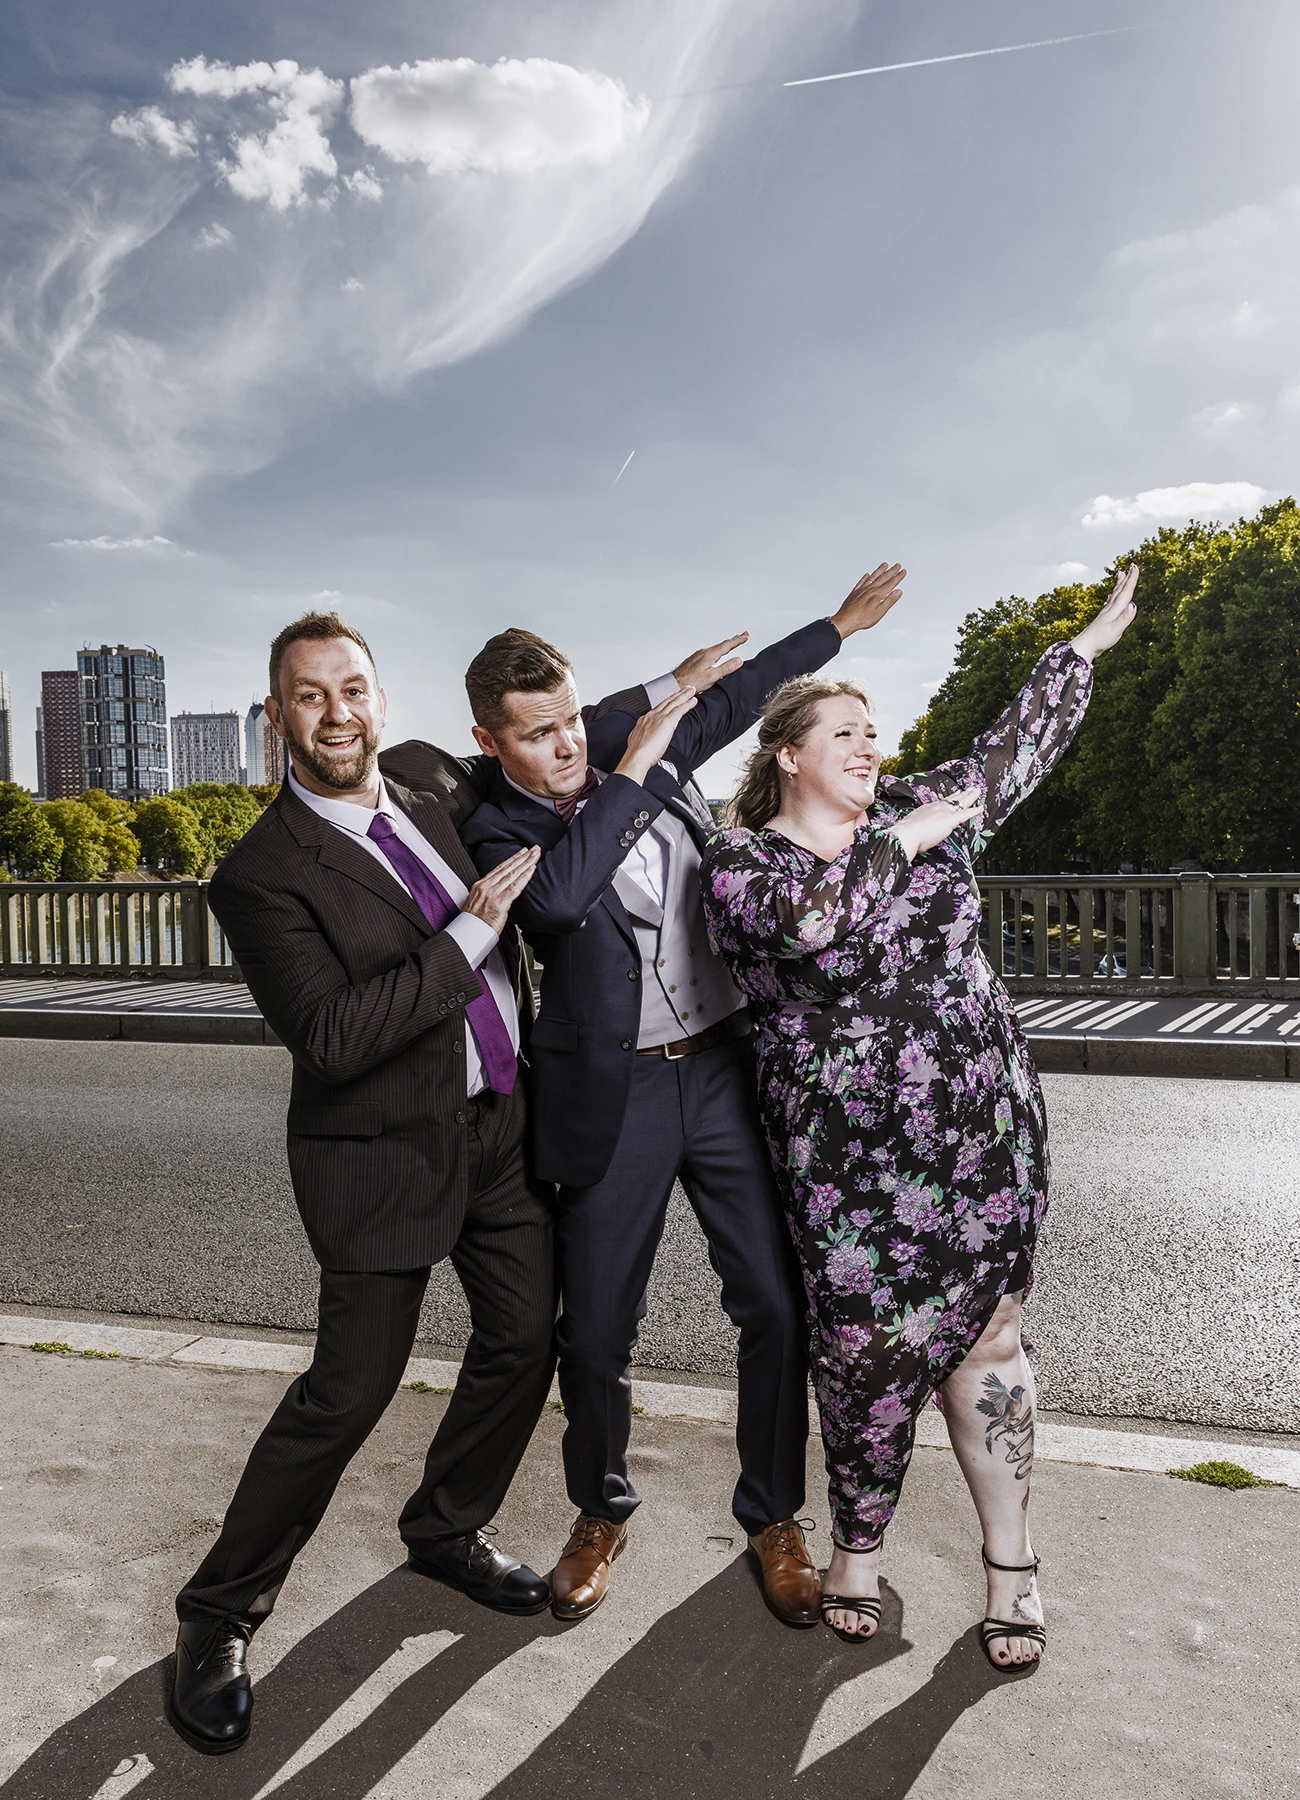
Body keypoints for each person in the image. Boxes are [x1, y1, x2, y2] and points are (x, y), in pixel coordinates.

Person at [167, 608, 732, 1757]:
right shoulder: (262, 873)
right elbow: (331, 1035)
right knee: (346, 1395)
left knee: (528, 1339)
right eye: (311, 696)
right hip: (381, 1155)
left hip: (499, 1129)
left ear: (382, 699)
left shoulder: (429, 781)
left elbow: (559, 728)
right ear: (277, 717)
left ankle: (444, 1526)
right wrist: (471, 935)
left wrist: (671, 683)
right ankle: (217, 1616)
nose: (338, 714)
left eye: (354, 690)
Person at [699, 566, 1139, 1666]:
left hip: (981, 1132)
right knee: (863, 1355)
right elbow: (807, 925)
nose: (867, 745)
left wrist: (1074, 652)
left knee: (989, 1338)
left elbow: (1007, 754)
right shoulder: (743, 863)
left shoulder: (914, 805)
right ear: (786, 755)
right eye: (842, 729)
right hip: (848, 1164)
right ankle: (858, 1546)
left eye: (872, 729)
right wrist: (907, 838)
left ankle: (1011, 1566)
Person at [459, 564, 907, 1627]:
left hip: (721, 1071)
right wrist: (631, 765)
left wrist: (836, 627)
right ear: (493, 743)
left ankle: (772, 1517)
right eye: (538, 733)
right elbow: (561, 904)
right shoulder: (494, 826)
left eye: (573, 719)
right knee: (599, 1331)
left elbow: (732, 699)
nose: (567, 745)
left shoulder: (642, 757)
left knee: (773, 1300)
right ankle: (599, 1510)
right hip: (610, 1100)